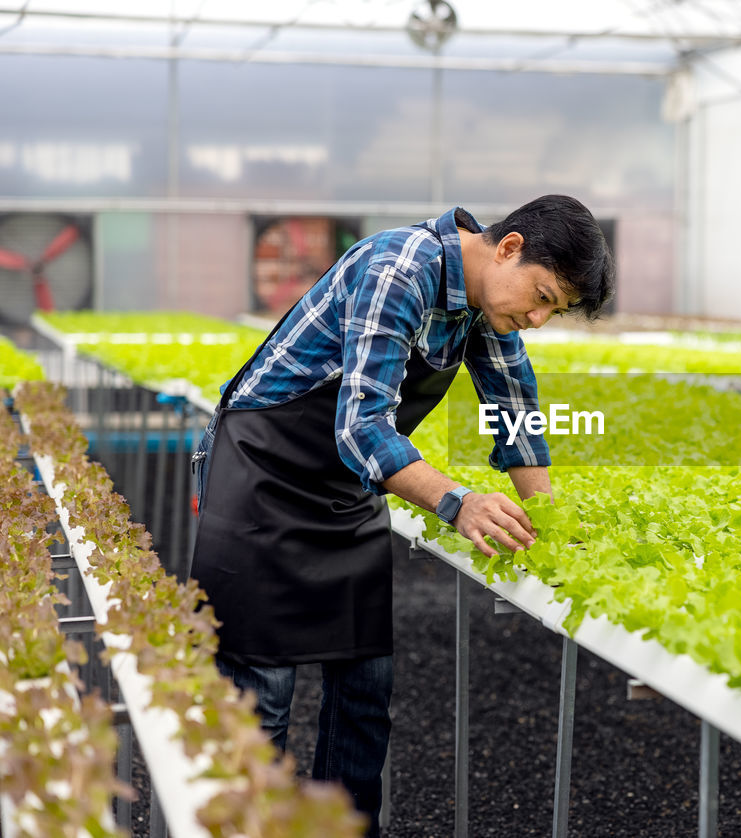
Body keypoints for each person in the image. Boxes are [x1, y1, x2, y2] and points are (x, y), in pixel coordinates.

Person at [189, 195, 614, 835]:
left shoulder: (486, 307)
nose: (538, 317)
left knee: (365, 690)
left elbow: (516, 415)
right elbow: (361, 427)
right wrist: (458, 503)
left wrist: (550, 526)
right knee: (263, 698)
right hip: (264, 477)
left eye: (552, 309)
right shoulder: (401, 268)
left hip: (344, 487)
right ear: (509, 247)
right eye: (543, 296)